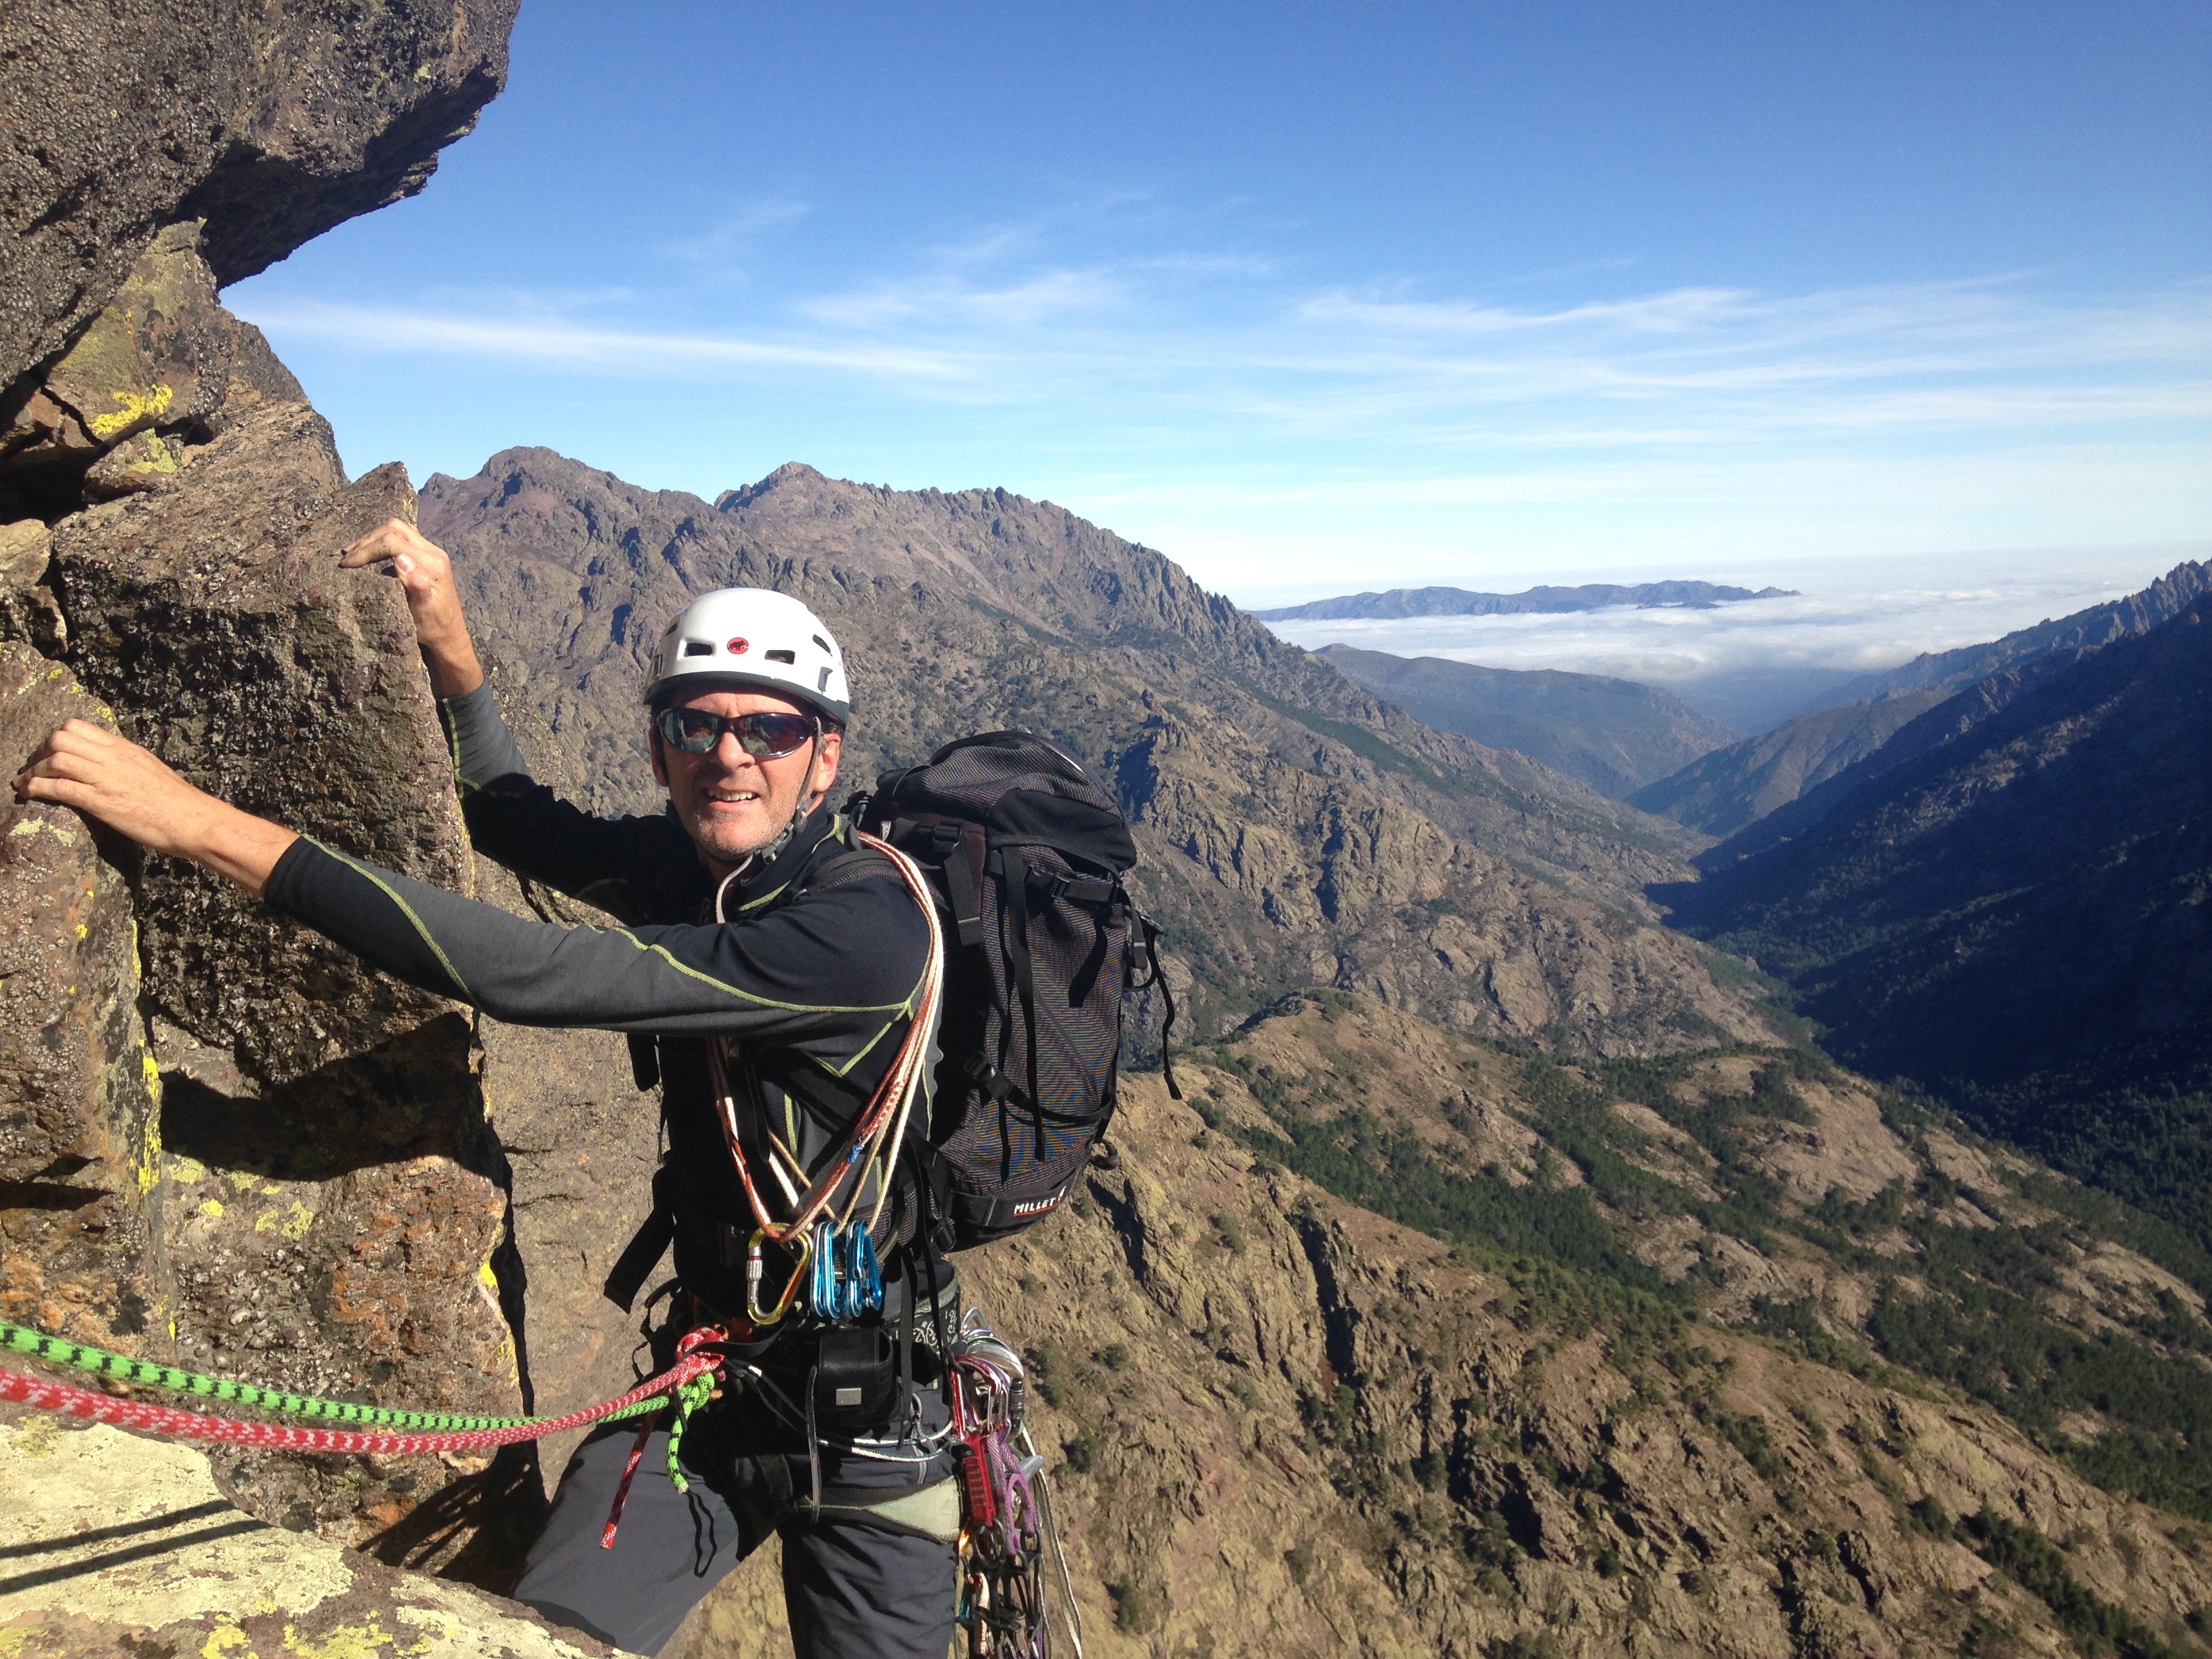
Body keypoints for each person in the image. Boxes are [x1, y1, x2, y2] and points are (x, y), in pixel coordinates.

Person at [14, 519, 964, 1659]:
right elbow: (514, 814)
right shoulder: (709, 875)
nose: (730, 754)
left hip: (875, 1417)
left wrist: (187, 822)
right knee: (538, 1639)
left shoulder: (858, 934)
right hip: (714, 1388)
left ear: (826, 757)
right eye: (696, 724)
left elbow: (535, 971)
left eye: (768, 727)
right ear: (661, 747)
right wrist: (449, 643)